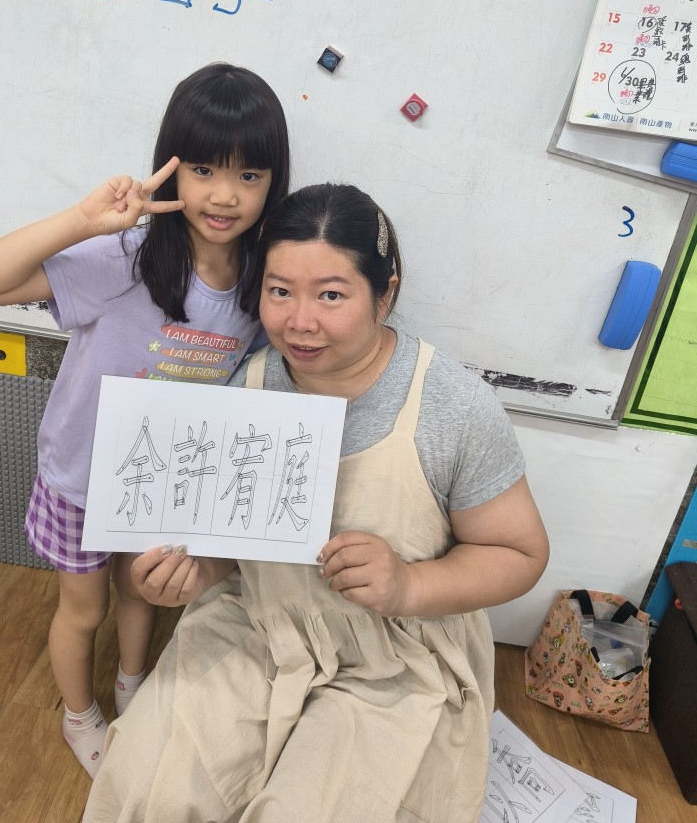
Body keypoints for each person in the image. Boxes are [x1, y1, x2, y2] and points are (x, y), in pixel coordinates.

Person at [82, 183, 550, 823]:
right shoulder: (245, 383)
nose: (299, 322)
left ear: (385, 294)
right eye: (279, 291)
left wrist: (409, 584)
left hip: (398, 656)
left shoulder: (453, 405)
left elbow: (520, 553)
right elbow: (227, 545)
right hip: (260, 620)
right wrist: (189, 573)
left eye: (331, 295)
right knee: (145, 792)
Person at [0, 63, 290, 778]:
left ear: (273, 181)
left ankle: (135, 684)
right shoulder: (124, 259)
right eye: (203, 169)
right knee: (84, 610)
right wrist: (83, 220)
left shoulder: (265, 285)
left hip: (158, 485)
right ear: (171, 166)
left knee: (142, 594)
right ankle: (78, 715)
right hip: (80, 478)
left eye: (249, 175)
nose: (224, 194)